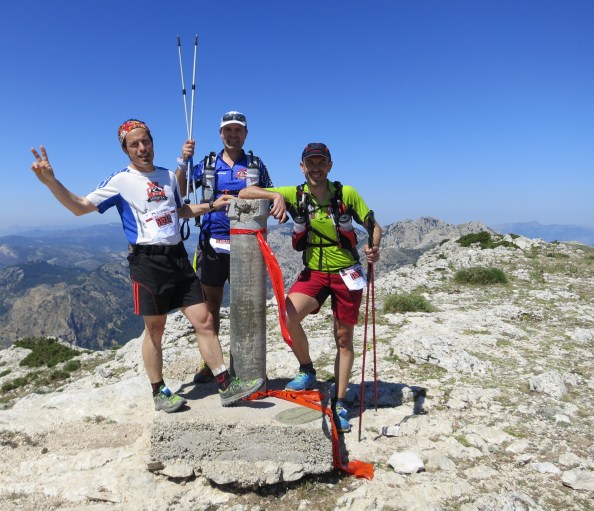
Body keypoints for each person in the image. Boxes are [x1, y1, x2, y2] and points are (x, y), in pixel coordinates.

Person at [29, 119, 263, 412]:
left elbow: (179, 210)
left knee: (204, 320)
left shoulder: (167, 176)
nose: (142, 148)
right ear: (125, 150)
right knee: (155, 329)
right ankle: (159, 391)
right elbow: (79, 206)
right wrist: (51, 182)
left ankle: (226, 385)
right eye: (134, 144)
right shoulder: (120, 180)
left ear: (152, 142)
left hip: (177, 257)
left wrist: (212, 205)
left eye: (146, 141)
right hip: (147, 261)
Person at [238, 143, 381, 433]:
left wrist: (374, 248)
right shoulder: (296, 194)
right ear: (302, 167)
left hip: (346, 271)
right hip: (314, 272)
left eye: (321, 163)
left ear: (329, 166)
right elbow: (244, 193)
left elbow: (373, 227)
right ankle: (307, 370)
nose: (316, 168)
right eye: (311, 163)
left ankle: (339, 401)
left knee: (343, 338)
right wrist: (275, 195)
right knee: (289, 315)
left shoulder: (346, 193)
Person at [176, 111, 274, 384]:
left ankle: (249, 365)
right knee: (211, 307)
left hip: (248, 243)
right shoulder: (208, 164)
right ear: (221, 134)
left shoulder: (255, 164)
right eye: (228, 130)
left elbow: (270, 193)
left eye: (238, 130)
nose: (233, 135)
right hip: (212, 243)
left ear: (245, 134)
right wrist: (183, 161)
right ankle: (212, 364)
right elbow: (180, 191)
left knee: (248, 305)